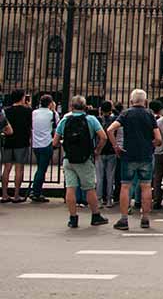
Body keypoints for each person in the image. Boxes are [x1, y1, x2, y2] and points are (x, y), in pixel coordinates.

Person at [106, 89, 162, 230]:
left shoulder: (126, 113)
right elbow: (159, 138)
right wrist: (151, 145)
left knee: (125, 186)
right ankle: (145, 219)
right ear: (145, 101)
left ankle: (124, 220)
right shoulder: (150, 115)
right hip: (145, 155)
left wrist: (116, 146)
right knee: (146, 187)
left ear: (131, 101)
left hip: (129, 154)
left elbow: (109, 130)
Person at [52, 95, 109, 228]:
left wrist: (65, 145)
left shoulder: (65, 120)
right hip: (85, 159)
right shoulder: (91, 119)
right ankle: (95, 215)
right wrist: (97, 150)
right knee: (89, 188)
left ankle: (73, 218)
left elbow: (55, 141)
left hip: (69, 159)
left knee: (70, 188)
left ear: (71, 106)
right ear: (85, 107)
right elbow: (103, 137)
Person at [1, 90, 31, 204]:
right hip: (22, 142)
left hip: (9, 141)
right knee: (19, 169)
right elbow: (30, 125)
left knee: (7, 169)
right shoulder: (27, 111)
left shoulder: (6, 111)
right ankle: (16, 195)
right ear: (22, 98)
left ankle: (4, 194)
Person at [29, 94, 58, 202]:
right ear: (50, 103)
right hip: (46, 143)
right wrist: (54, 110)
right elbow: (57, 126)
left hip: (36, 144)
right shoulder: (52, 114)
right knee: (42, 169)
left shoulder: (34, 112)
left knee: (40, 168)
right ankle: (36, 192)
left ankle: (36, 190)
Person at [96, 101, 119, 208]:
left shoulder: (98, 120)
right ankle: (109, 199)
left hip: (100, 150)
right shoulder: (115, 120)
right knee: (110, 177)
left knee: (99, 177)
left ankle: (99, 199)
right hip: (111, 150)